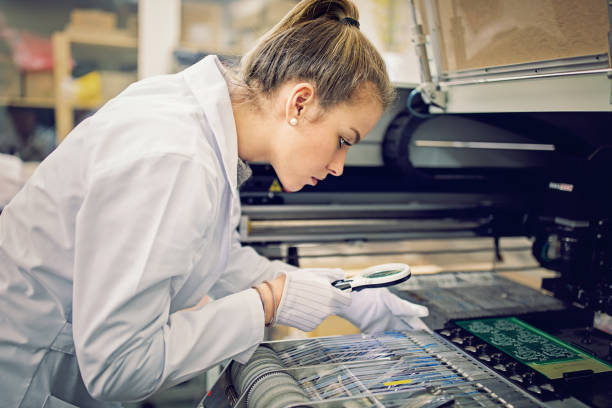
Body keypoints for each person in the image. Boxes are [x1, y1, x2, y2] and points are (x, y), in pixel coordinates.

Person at [0, 1, 428, 406]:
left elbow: (213, 259)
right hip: (23, 376)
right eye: (343, 140)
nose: (339, 166)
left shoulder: (204, 127)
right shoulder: (175, 156)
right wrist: (267, 304)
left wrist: (348, 296)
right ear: (299, 101)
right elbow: (119, 366)